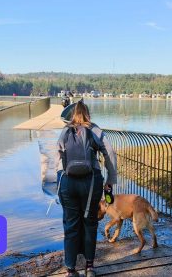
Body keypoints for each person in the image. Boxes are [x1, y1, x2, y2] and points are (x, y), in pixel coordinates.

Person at [57, 100, 118, 277]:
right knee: (90, 222)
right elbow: (110, 153)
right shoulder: (95, 129)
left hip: (68, 183)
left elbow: (57, 155)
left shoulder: (65, 131)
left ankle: (71, 269)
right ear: (88, 114)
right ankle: (90, 267)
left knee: (71, 225)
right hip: (91, 182)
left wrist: (59, 182)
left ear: (72, 115)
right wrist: (110, 180)